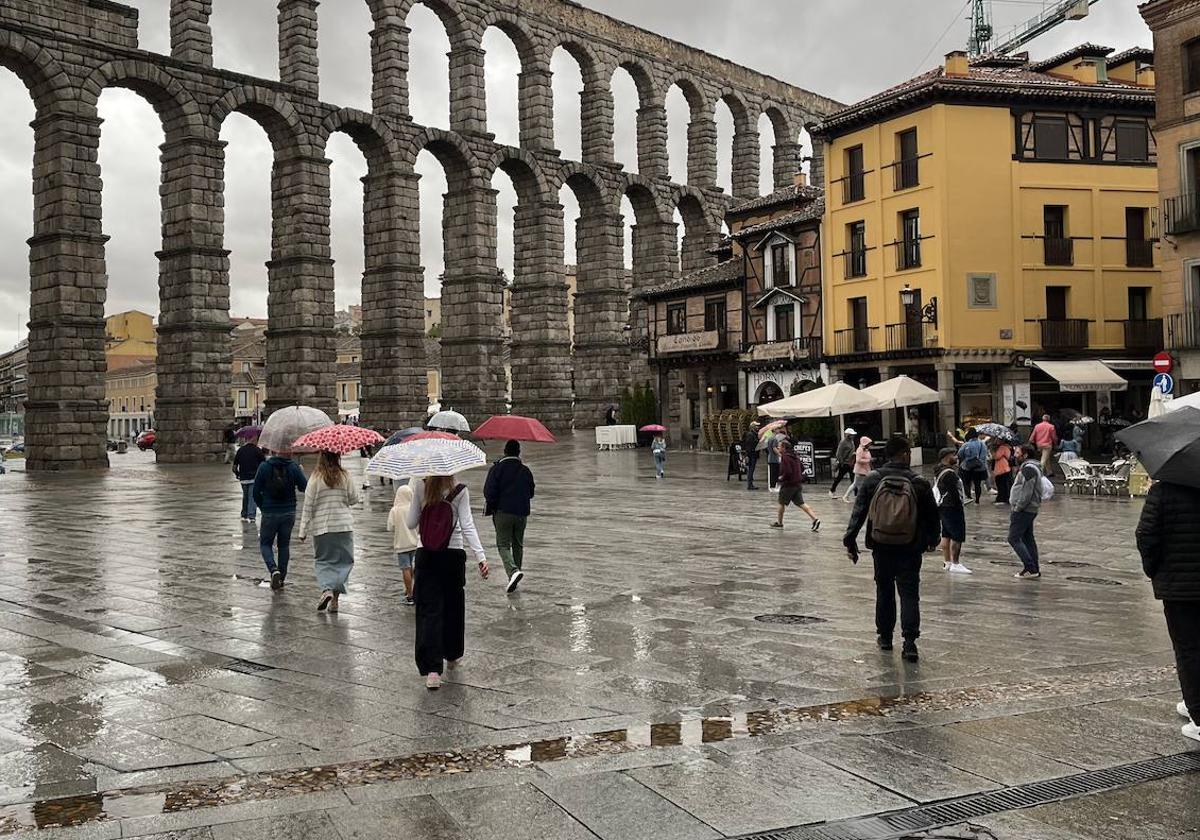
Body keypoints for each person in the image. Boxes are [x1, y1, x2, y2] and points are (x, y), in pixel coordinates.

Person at [843, 437, 939, 662]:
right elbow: (932, 518)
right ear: (905, 454)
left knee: (884, 590)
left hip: (881, 545)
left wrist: (850, 540)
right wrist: (931, 541)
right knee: (909, 593)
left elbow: (859, 512)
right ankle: (909, 643)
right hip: (910, 546)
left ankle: (885, 637)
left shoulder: (873, 479)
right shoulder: (919, 482)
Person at [407, 475, 490, 689]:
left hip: (426, 553)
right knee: (453, 608)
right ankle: (452, 655)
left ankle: (433, 671)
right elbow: (468, 525)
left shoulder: (418, 484)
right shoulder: (460, 490)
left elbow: (410, 523)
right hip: (453, 555)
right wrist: (480, 556)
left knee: (429, 611)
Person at [1135, 478, 1200, 743]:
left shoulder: (1164, 490)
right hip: (1181, 583)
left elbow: (1146, 535)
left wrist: (1155, 570)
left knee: (1189, 649)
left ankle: (1199, 716)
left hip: (1180, 586)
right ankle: (1192, 700)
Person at [298, 450, 360, 612]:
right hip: (343, 526)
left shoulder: (315, 478)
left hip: (322, 527)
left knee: (323, 561)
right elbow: (354, 499)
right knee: (343, 562)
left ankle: (327, 590)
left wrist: (302, 530)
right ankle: (335, 602)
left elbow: (308, 506)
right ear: (338, 457)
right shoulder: (345, 476)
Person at [483, 440, 536, 594]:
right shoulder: (525, 470)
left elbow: (489, 492)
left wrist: (495, 504)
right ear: (519, 452)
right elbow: (531, 493)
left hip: (503, 512)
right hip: (522, 513)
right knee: (518, 544)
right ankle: (515, 575)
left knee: (503, 544)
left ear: (505, 451)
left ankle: (513, 572)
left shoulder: (497, 469)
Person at [252, 447, 308, 590]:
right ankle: (281, 578)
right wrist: (300, 471)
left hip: (270, 511)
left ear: (275, 451)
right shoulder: (293, 467)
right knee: (284, 545)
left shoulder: (264, 467)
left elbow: (255, 491)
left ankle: (273, 570)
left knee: (265, 544)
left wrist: (263, 506)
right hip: (289, 512)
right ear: (289, 452)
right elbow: (304, 487)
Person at [1008, 444, 1044, 580]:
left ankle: (1030, 567)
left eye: (1017, 453)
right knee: (1027, 538)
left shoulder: (1029, 469)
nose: (1015, 455)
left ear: (1025, 455)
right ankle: (1034, 568)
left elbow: (1026, 492)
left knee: (1013, 538)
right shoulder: (1030, 468)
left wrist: (1018, 507)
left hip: (1024, 509)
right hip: (1029, 509)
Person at [934, 447, 970, 574]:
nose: (956, 458)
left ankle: (947, 562)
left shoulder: (939, 470)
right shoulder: (949, 473)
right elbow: (954, 492)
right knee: (957, 535)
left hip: (943, 506)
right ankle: (955, 562)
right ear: (946, 457)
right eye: (953, 455)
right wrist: (959, 504)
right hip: (952, 507)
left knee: (946, 534)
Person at [772, 439, 820, 532]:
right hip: (797, 483)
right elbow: (802, 467)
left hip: (788, 484)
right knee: (801, 503)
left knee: (781, 503)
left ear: (784, 448)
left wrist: (781, 478)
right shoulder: (795, 455)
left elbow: (788, 471)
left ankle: (780, 523)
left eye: (780, 446)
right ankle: (815, 519)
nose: (778, 447)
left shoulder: (785, 457)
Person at [387, 479, 418, 605]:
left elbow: (390, 527)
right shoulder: (413, 509)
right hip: (415, 543)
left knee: (405, 568)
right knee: (413, 567)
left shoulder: (395, 510)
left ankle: (409, 594)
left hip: (401, 544)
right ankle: (413, 589)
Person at [232, 433, 266, 523]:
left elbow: (234, 467)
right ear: (253, 438)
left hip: (243, 478)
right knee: (252, 497)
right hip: (254, 478)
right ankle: (251, 516)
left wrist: (237, 474)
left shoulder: (240, 450)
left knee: (245, 497)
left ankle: (244, 514)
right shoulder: (257, 450)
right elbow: (264, 464)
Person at [956, 429, 988, 504]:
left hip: (967, 467)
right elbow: (984, 455)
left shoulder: (966, 444)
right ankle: (977, 500)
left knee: (966, 482)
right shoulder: (982, 444)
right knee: (978, 484)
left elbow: (960, 454)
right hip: (980, 468)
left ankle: (969, 497)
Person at [842, 435, 874, 503]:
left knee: (857, 484)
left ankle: (857, 497)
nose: (870, 445)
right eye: (868, 443)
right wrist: (868, 460)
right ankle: (847, 496)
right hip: (860, 470)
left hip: (865, 470)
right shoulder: (860, 449)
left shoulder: (866, 450)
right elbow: (858, 460)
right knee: (857, 484)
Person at [829, 427, 857, 497]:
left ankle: (856, 493)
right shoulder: (843, 442)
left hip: (851, 463)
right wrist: (841, 462)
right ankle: (832, 490)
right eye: (851, 434)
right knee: (839, 477)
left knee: (853, 478)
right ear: (848, 435)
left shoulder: (852, 441)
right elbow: (838, 453)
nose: (853, 436)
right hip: (845, 463)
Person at [992, 437, 1014, 505]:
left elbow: (996, 456)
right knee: (1005, 484)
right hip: (1006, 467)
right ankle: (1005, 498)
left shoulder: (1002, 447)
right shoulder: (1008, 447)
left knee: (1001, 484)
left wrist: (993, 451)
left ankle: (1002, 498)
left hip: (1001, 468)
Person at [742, 422, 762, 490]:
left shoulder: (754, 434)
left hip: (753, 454)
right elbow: (749, 445)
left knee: (751, 469)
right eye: (756, 426)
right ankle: (750, 485)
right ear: (753, 427)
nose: (758, 427)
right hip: (751, 455)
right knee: (751, 469)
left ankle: (750, 484)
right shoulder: (750, 435)